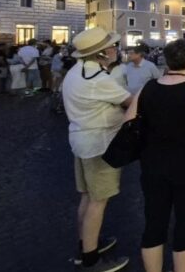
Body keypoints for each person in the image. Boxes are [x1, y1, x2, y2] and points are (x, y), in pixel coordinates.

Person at [124, 39, 185, 272]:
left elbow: (128, 121)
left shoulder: (148, 88)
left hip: (153, 163)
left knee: (154, 221)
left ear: (165, 60)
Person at [62, 27, 133, 271]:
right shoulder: (99, 80)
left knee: (87, 197)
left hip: (80, 141)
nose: (115, 49)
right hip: (99, 145)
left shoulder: (74, 73)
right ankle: (91, 260)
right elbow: (130, 102)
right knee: (98, 202)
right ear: (102, 53)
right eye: (112, 46)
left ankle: (87, 244)